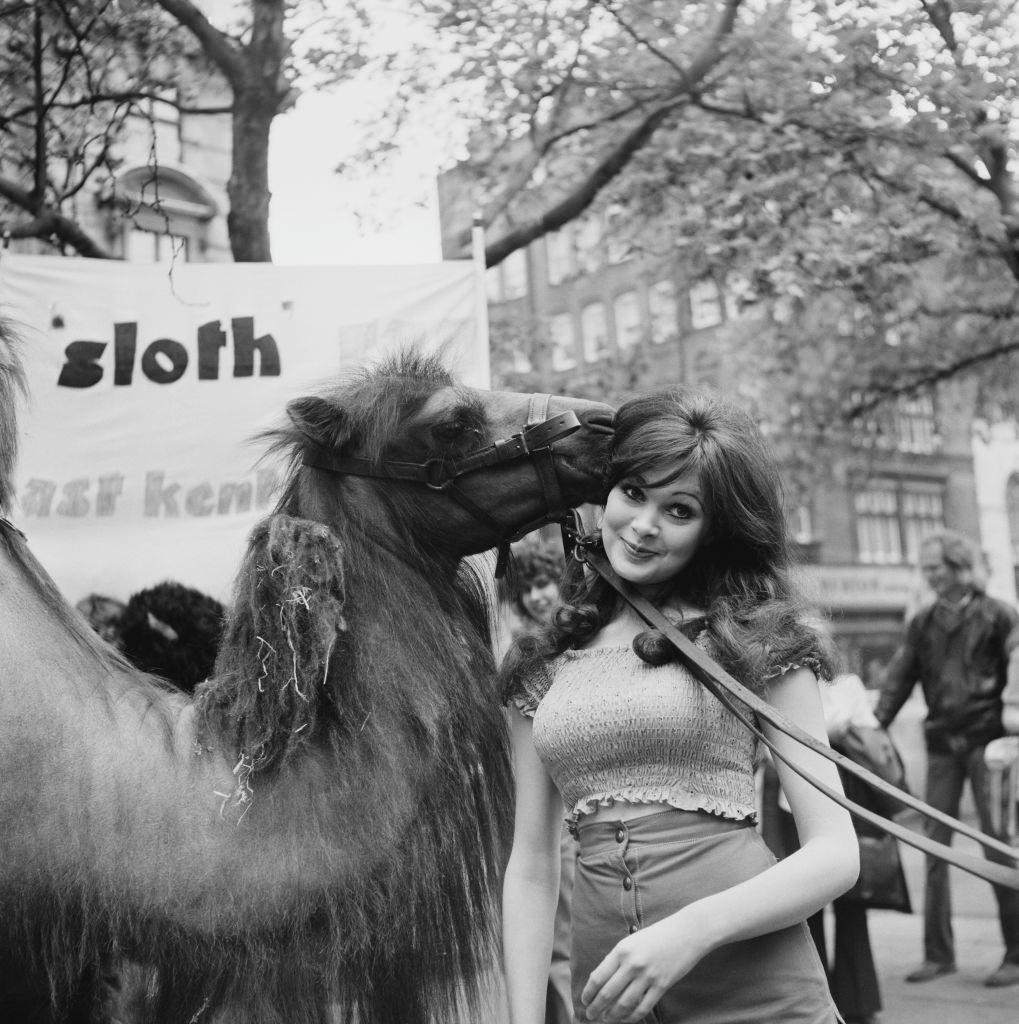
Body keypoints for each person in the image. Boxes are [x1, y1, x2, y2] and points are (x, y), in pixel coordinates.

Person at [500, 385, 858, 1024]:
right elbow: (530, 867)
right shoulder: (541, 662)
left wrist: (688, 933)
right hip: (610, 1003)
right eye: (633, 492)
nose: (642, 526)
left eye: (679, 510)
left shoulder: (759, 638)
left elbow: (835, 854)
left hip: (759, 996)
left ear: (713, 529)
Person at [875, 529, 1019, 988]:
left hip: (987, 745)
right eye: (927, 568)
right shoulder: (920, 623)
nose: (929, 575)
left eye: (936, 567)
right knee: (934, 849)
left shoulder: (999, 615)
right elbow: (899, 678)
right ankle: (938, 955)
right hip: (941, 746)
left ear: (958, 566)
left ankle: (1016, 955)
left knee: (998, 846)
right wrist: (873, 726)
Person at [773, 671, 887, 1024]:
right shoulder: (780, 678)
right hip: (792, 802)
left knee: (853, 904)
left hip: (849, 797)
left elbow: (865, 729)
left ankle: (858, 1001)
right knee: (808, 904)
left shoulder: (847, 683)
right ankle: (815, 997)